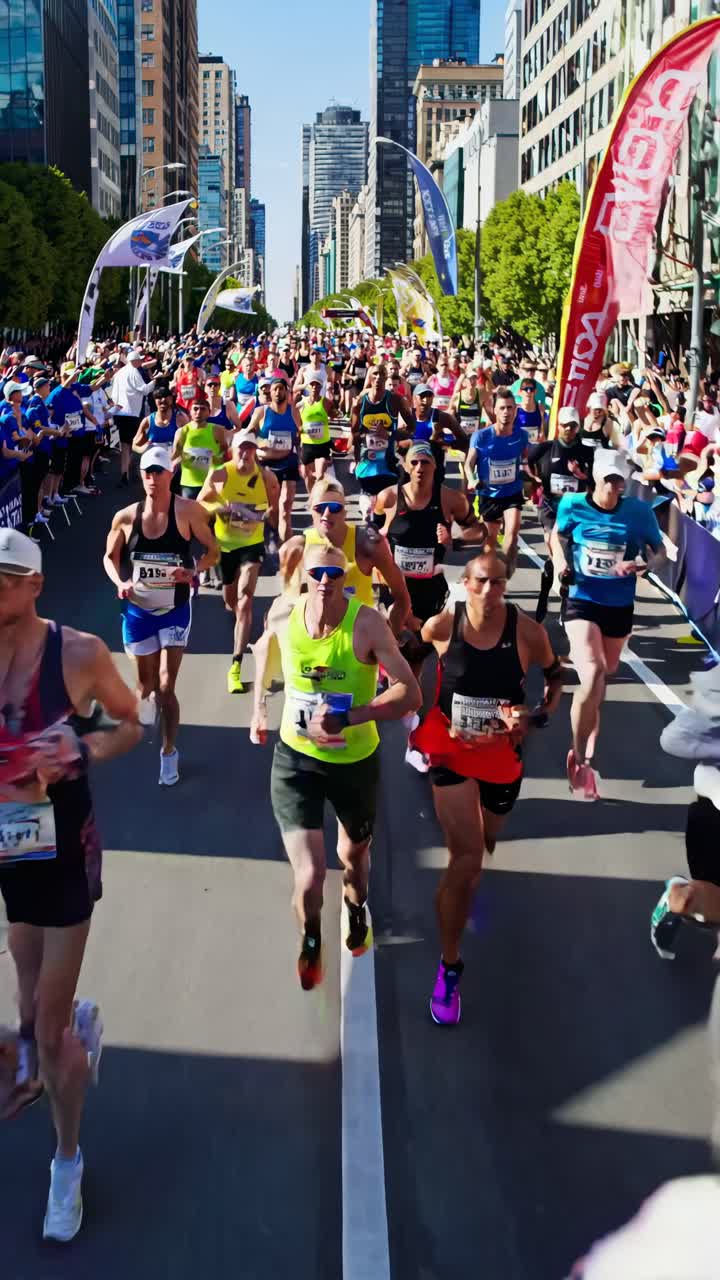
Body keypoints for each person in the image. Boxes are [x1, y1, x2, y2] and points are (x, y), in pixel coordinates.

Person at [0, 527, 141, 1240]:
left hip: (60, 847)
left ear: (34, 585)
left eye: (3, 579)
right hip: (6, 843)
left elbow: (131, 724)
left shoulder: (78, 653)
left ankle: (66, 1163)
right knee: (27, 1012)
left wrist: (79, 746)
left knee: (49, 1035)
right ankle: (51, 1028)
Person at [250, 540, 420, 990]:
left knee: (353, 857)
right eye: (317, 574)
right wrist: (258, 707)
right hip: (297, 760)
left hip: (354, 762)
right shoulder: (283, 614)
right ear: (303, 576)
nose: (325, 582)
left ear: (346, 579)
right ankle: (311, 936)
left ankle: (356, 906)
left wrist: (352, 716)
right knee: (308, 876)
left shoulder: (367, 624)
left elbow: (410, 692)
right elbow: (264, 649)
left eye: (335, 575)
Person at [412, 550, 563, 1024]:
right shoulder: (444, 625)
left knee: (488, 841)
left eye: (498, 583)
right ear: (466, 582)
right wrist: (415, 711)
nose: (489, 591)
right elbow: (409, 660)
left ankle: (468, 881)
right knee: (467, 859)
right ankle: (449, 967)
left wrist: (534, 716)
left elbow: (556, 679)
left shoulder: (528, 633)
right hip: (451, 749)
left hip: (501, 757)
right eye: (481, 581)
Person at [551, 450, 670, 800]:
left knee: (604, 675)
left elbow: (661, 553)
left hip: (618, 605)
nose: (616, 486)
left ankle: (586, 740)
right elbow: (557, 535)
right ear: (596, 478)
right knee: (593, 672)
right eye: (610, 479)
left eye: (621, 480)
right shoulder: (572, 504)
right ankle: (580, 758)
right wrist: (560, 563)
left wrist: (644, 565)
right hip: (581, 598)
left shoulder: (638, 512)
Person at [103, 446, 218, 786]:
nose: (153, 479)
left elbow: (214, 551)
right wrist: (120, 582)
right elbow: (109, 557)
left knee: (167, 686)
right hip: (139, 611)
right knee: (146, 685)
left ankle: (169, 752)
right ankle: (151, 699)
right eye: (147, 473)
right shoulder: (126, 517)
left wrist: (193, 570)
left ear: (171, 474)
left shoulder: (188, 512)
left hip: (175, 609)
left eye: (159, 472)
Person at [198, 430, 280, 693]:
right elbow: (201, 503)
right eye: (241, 448)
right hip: (225, 546)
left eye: (250, 448)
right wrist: (222, 510)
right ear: (232, 450)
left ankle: (235, 666)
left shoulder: (267, 477)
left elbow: (274, 508)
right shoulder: (220, 474)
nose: (245, 453)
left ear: (256, 451)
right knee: (231, 601)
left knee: (245, 599)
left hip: (252, 545)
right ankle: (240, 620)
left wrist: (263, 520)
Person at [280, 478, 411, 635]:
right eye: (319, 508)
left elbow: (401, 596)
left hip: (360, 637)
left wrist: (394, 633)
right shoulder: (296, 548)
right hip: (316, 640)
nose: (326, 514)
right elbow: (288, 604)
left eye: (334, 508)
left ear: (344, 511)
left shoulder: (367, 543)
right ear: (310, 510)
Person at [527, 406, 595, 622]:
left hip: (575, 511)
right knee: (553, 548)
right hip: (551, 507)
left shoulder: (587, 452)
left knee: (569, 558)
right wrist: (535, 479)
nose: (568, 429)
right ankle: (544, 596)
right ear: (558, 426)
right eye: (565, 425)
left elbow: (596, 484)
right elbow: (527, 463)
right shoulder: (545, 449)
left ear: (578, 427)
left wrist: (581, 476)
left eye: (573, 426)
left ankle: (566, 600)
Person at [465, 387, 529, 577]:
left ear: (515, 410)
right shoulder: (481, 436)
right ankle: (491, 572)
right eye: (502, 408)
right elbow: (469, 464)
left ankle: (505, 575)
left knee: (512, 533)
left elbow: (526, 461)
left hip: (512, 492)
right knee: (490, 542)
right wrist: (472, 479)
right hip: (489, 494)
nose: (506, 412)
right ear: (495, 410)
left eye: (510, 408)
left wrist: (531, 478)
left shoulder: (521, 436)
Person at [350, 364, 416, 519]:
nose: (378, 377)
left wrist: (389, 434)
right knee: (370, 505)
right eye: (375, 374)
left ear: (386, 377)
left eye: (382, 374)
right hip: (367, 461)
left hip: (388, 461)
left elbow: (412, 429)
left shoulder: (396, 400)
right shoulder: (361, 400)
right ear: (369, 377)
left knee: (384, 509)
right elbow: (354, 432)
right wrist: (356, 457)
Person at [249, 376, 302, 544]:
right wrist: (261, 443)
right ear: (270, 393)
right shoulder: (261, 412)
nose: (278, 392)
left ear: (287, 392)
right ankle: (272, 536)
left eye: (281, 389)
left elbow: (300, 436)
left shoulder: (293, 411)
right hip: (267, 465)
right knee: (272, 509)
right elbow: (248, 435)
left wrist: (301, 458)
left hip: (288, 462)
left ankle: (285, 547)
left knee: (286, 507)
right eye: (275, 389)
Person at [110, 348, 157, 486]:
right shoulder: (134, 372)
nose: (141, 362)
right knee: (135, 443)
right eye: (139, 360)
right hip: (132, 412)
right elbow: (145, 390)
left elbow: (113, 395)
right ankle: (134, 470)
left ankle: (125, 472)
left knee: (125, 444)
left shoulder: (119, 373)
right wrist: (155, 380)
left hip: (120, 412)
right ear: (135, 361)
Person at [173, 398, 227, 500]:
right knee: (190, 510)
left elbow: (224, 450)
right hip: (189, 483)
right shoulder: (182, 432)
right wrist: (185, 458)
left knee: (211, 510)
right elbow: (175, 456)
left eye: (203, 409)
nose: (198, 412)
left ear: (209, 412)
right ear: (190, 412)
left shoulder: (217, 430)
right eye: (195, 409)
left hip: (212, 482)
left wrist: (215, 458)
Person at [297, 372, 335, 488]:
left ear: (321, 387)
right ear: (308, 387)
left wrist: (335, 411)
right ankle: (312, 496)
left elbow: (334, 414)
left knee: (319, 476)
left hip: (323, 444)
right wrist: (299, 427)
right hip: (308, 444)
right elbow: (293, 414)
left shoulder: (326, 402)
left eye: (317, 385)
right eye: (312, 385)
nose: (314, 387)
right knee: (308, 476)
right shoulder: (301, 404)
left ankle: (319, 494)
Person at [132, 385, 188, 454]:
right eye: (159, 397)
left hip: (173, 459)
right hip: (154, 458)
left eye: (165, 396)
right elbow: (134, 445)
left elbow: (190, 442)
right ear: (155, 400)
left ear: (171, 398)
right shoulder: (147, 421)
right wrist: (144, 449)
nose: (163, 399)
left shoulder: (180, 419)